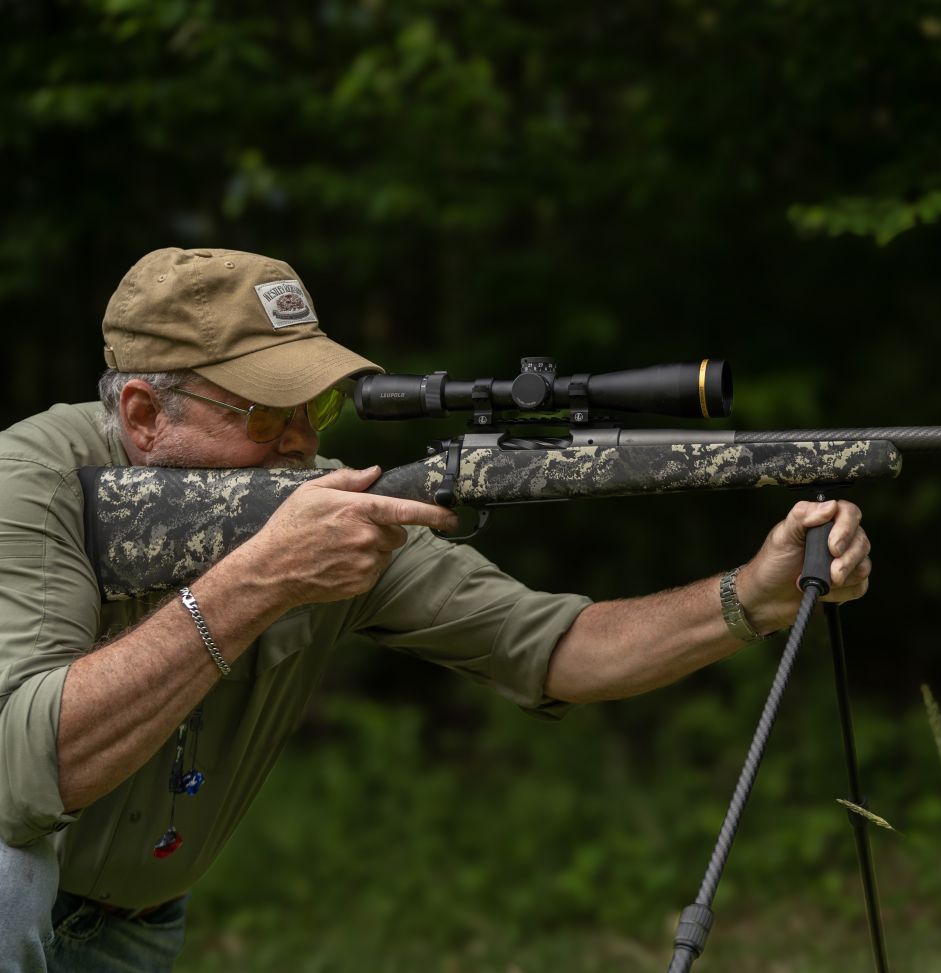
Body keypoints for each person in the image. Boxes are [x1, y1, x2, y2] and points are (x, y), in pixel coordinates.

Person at [0, 248, 872, 971]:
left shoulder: (314, 509)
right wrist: (259, 579)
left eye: (320, 405)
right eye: (269, 415)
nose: (304, 440)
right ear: (147, 414)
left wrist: (750, 596)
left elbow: (558, 649)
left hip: (135, 927)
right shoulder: (33, 481)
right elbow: (29, 769)